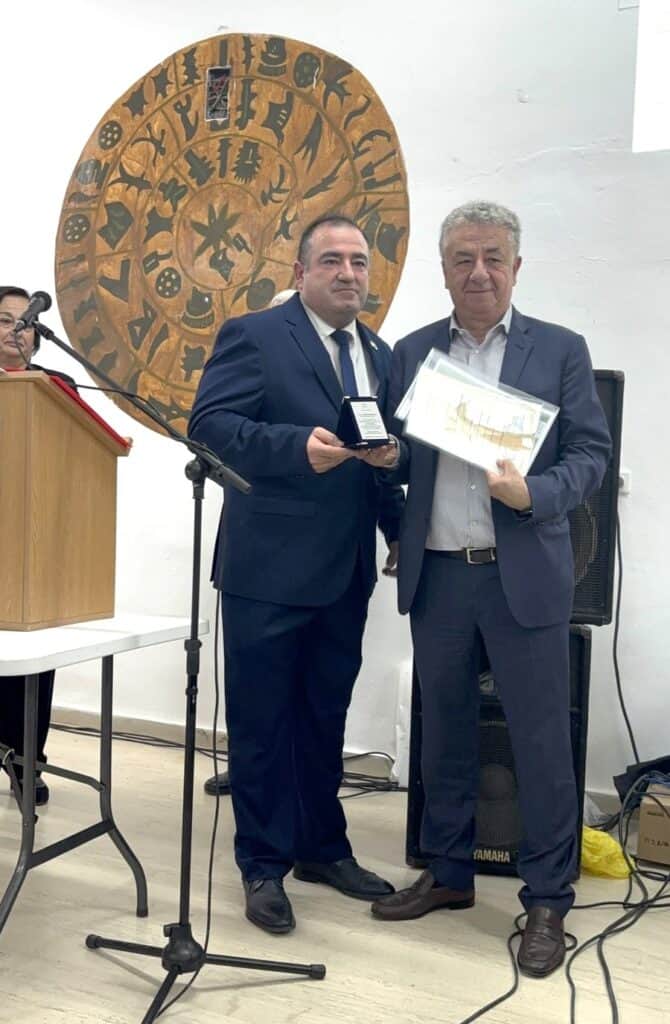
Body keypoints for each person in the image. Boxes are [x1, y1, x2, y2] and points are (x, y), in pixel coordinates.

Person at [367, 201, 612, 978]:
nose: (479, 272)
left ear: (516, 266)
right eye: (463, 259)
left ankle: (547, 899)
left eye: (493, 257)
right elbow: (409, 458)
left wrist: (534, 494)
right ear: (443, 270)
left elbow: (590, 454)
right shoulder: (412, 352)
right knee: (443, 733)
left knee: (540, 743)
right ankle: (447, 872)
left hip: (522, 576)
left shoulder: (561, 349)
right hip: (439, 575)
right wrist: (389, 461)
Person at [189, 215, 403, 934]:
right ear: (302, 271)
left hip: (346, 572)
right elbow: (209, 426)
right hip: (268, 571)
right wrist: (292, 447)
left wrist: (398, 528)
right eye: (332, 260)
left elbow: (375, 458)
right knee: (262, 724)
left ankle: (320, 848)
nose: (348, 273)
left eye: (359, 261)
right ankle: (262, 864)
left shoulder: (378, 353)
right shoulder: (255, 335)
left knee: (322, 718)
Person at [0, 285, 77, 806]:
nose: (17, 329)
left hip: (37, 539)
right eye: (6, 319)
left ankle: (27, 760)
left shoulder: (57, 387)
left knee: (33, 662)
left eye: (25, 322)